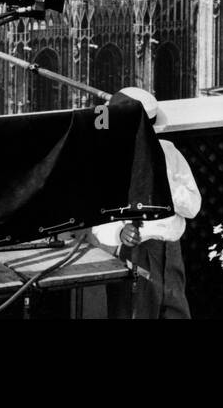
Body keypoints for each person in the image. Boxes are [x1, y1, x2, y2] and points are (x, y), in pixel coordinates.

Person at [92, 86, 201, 319]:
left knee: (176, 312)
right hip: (135, 254)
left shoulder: (169, 153)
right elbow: (98, 215)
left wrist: (164, 181)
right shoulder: (109, 161)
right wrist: (120, 231)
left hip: (171, 252)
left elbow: (192, 206)